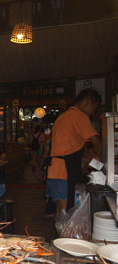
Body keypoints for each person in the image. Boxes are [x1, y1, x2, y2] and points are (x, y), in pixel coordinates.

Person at [46, 88, 101, 219]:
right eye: (94, 108)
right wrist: (105, 157)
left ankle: (59, 237)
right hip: (64, 170)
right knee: (66, 211)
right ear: (87, 102)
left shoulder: (63, 117)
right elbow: (96, 140)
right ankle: (64, 238)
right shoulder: (79, 116)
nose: (93, 112)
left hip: (54, 169)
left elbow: (68, 146)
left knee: (60, 210)